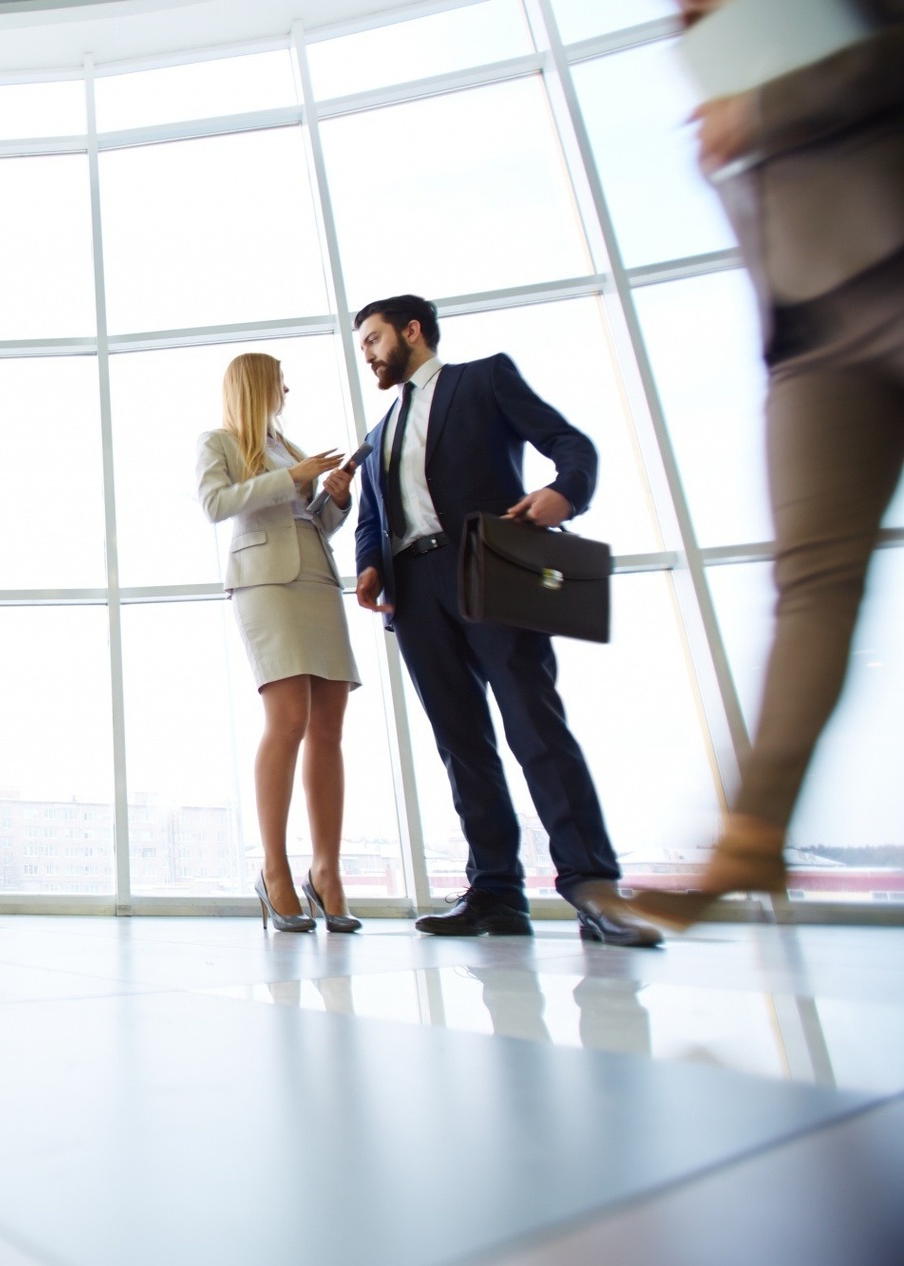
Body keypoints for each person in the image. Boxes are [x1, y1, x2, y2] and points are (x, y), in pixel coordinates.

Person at [633, 1, 904, 930]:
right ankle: (752, 834)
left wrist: (770, 107)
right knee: (812, 585)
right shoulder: (704, 33)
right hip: (810, 332)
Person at [349, 295, 661, 949]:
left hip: (490, 569)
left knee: (534, 726)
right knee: (461, 745)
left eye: (375, 339)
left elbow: (570, 444)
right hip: (415, 594)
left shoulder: (485, 378)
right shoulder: (377, 434)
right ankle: (495, 892)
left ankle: (592, 887)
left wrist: (564, 491)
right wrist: (370, 564)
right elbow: (374, 517)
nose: (369, 355)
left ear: (412, 332)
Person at [195, 353, 362, 934]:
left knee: (329, 727)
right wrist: (293, 477)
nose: (286, 389)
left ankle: (328, 872)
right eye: (278, 381)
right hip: (264, 581)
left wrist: (334, 496)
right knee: (288, 719)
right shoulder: (219, 442)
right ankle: (274, 870)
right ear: (256, 385)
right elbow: (217, 504)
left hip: (316, 575)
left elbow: (312, 520)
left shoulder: (292, 448)